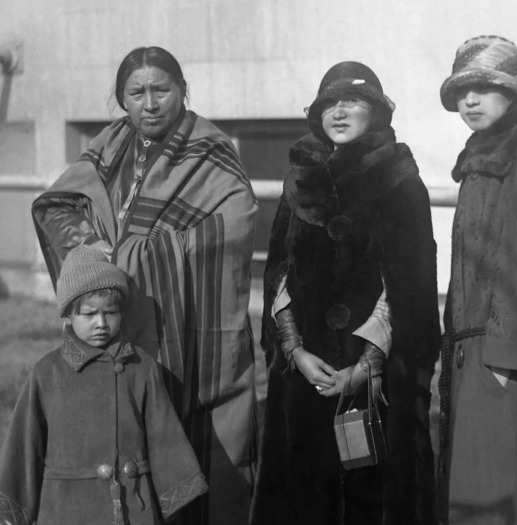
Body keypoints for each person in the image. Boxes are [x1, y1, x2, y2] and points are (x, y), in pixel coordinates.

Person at [31, 46, 258, 525]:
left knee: (197, 445)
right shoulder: (109, 146)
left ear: (182, 90)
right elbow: (58, 203)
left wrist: (134, 256)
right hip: (113, 321)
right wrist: (94, 247)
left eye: (162, 90)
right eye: (136, 93)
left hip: (190, 338)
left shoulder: (211, 150)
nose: (150, 103)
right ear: (121, 99)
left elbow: (233, 224)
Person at [251, 61, 441, 525]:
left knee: (370, 496)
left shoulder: (401, 182)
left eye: (352, 102)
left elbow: (409, 284)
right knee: (303, 492)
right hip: (304, 372)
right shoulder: (299, 180)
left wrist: (368, 363)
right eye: (330, 103)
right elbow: (279, 270)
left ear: (376, 112)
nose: (339, 112)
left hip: (375, 377)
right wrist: (293, 349)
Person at [437, 35, 517, 525]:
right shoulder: (483, 158)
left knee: (497, 488)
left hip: (504, 350)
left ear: (512, 93)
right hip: (476, 347)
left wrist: (506, 356)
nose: (469, 100)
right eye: (461, 92)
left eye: (483, 88)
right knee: (480, 483)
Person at [0, 245, 207, 524]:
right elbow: (24, 445)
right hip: (66, 508)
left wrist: (176, 496)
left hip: (133, 507)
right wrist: (14, 510)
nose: (101, 323)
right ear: (69, 316)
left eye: (110, 312)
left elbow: (164, 435)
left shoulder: (141, 368)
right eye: (89, 314)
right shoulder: (46, 374)